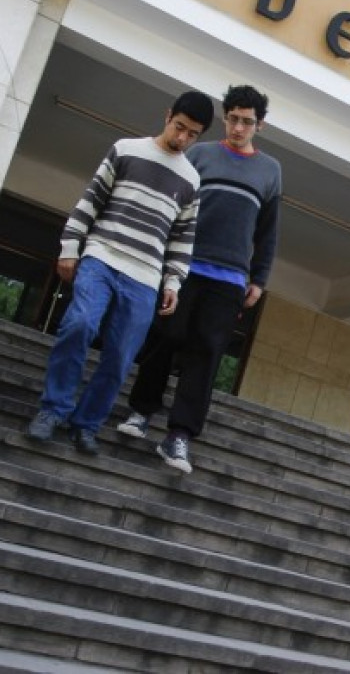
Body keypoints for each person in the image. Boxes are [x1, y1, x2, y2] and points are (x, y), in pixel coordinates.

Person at [25, 91, 214, 454]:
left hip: (145, 276)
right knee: (79, 325)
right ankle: (53, 410)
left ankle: (87, 424)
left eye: (193, 134)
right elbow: (91, 199)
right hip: (101, 256)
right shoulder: (126, 149)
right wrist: (70, 248)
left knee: (122, 355)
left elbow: (182, 237)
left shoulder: (191, 180)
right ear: (167, 116)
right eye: (179, 128)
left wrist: (173, 281)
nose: (182, 138)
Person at [116, 84, 282, 475]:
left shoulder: (270, 171)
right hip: (185, 266)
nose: (239, 128)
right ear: (226, 117)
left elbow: (268, 231)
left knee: (206, 354)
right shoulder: (200, 154)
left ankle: (180, 435)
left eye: (247, 122)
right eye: (234, 119)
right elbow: (175, 205)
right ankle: (141, 410)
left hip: (230, 278)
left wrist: (259, 278)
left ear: (261, 125)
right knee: (164, 339)